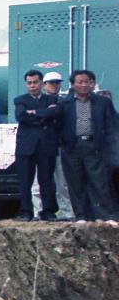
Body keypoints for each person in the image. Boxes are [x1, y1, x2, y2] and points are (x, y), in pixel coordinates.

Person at [58, 69, 118, 222]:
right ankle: (82, 216)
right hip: (72, 147)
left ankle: (106, 216)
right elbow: (56, 126)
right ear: (72, 84)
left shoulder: (103, 102)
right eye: (80, 82)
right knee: (76, 182)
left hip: (94, 147)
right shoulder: (64, 104)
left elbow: (112, 126)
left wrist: (111, 149)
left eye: (88, 82)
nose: (84, 85)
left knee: (100, 182)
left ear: (92, 84)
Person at [14, 69, 62, 221]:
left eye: (35, 82)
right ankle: (26, 211)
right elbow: (21, 116)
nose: (32, 86)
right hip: (26, 146)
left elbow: (54, 114)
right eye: (29, 83)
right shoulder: (20, 100)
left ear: (41, 83)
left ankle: (48, 211)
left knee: (46, 180)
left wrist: (33, 112)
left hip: (46, 145)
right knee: (25, 181)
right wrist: (43, 114)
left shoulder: (51, 100)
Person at [38, 71, 75, 219]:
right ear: (44, 84)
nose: (55, 85)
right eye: (51, 82)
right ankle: (39, 211)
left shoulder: (65, 102)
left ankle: (66, 212)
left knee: (63, 182)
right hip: (42, 146)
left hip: (60, 146)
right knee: (39, 182)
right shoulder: (37, 100)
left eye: (57, 82)